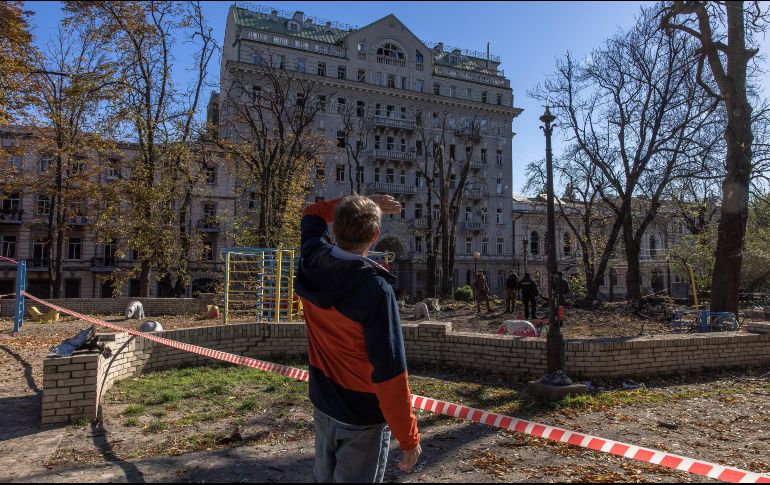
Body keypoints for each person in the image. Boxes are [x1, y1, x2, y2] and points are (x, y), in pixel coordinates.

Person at [295, 194, 421, 483]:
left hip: (323, 401)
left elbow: (312, 211)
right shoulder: (375, 289)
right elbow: (390, 372)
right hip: (361, 416)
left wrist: (362, 199)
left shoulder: (312, 259)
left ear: (335, 228)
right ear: (375, 235)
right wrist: (408, 436)